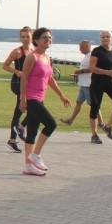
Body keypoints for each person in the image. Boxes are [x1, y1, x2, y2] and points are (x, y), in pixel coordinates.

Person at [19, 28, 71, 175]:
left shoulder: (46, 58)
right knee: (51, 124)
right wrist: (23, 99)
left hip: (40, 98)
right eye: (44, 37)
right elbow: (24, 77)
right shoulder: (32, 57)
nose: (48, 40)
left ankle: (28, 166)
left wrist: (61, 95)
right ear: (36, 40)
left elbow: (50, 78)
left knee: (32, 133)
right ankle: (35, 155)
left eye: (50, 37)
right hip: (31, 98)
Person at [88, 30, 112, 144]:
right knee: (95, 108)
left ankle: (108, 126)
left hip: (111, 83)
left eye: (107, 36)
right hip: (97, 83)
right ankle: (94, 135)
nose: (105, 38)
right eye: (103, 37)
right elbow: (92, 67)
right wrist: (107, 72)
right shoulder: (97, 51)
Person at [2, 26, 33, 153]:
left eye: (28, 36)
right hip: (18, 83)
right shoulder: (17, 52)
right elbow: (5, 65)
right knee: (22, 109)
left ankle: (19, 129)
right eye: (23, 37)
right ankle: (14, 137)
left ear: (32, 37)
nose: (25, 39)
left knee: (33, 108)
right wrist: (17, 71)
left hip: (29, 84)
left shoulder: (32, 51)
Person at [61, 40, 104, 127]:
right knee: (79, 102)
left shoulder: (91, 56)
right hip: (83, 84)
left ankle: (101, 122)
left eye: (81, 47)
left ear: (87, 47)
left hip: (88, 84)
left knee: (93, 104)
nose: (80, 49)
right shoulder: (87, 56)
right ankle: (70, 120)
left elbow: (92, 68)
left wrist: (80, 71)